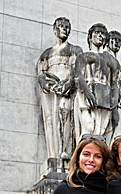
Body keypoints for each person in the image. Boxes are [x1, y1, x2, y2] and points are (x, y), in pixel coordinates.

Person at [37, 17, 83, 163]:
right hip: (51, 92)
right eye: (61, 26)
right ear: (54, 29)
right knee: (51, 120)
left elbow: (78, 72)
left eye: (67, 27)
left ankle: (66, 153)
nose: (64, 29)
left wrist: (68, 85)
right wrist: (48, 84)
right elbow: (41, 74)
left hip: (66, 91)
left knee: (66, 118)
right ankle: (54, 154)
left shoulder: (75, 50)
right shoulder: (46, 54)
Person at [74, 23, 121, 143]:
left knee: (101, 133)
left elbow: (115, 83)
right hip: (86, 97)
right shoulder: (83, 56)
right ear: (90, 37)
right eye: (97, 33)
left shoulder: (111, 60)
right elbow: (78, 77)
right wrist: (87, 93)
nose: (100, 36)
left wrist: (115, 101)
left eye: (103, 34)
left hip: (105, 97)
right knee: (88, 129)